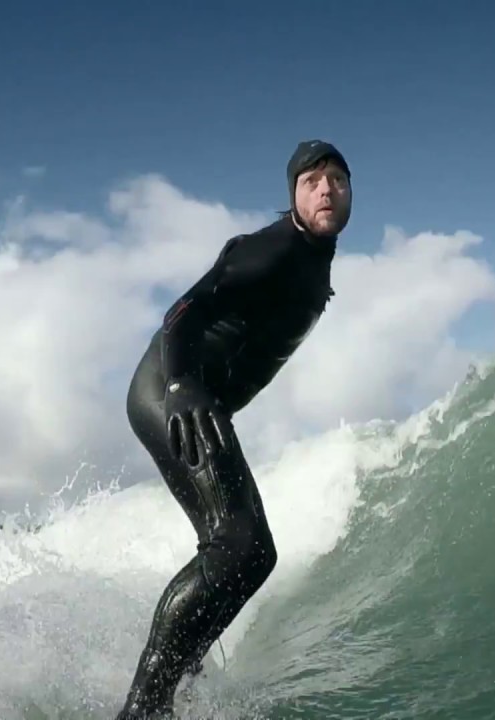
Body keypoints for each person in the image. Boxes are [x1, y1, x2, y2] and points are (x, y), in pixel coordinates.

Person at [117, 139, 353, 718]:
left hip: (195, 399)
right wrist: (182, 385)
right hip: (171, 391)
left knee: (243, 555)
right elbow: (182, 311)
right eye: (312, 181)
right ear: (294, 195)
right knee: (243, 544)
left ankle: (179, 677)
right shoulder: (270, 249)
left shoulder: (311, 261)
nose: (326, 189)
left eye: (338, 180)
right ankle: (145, 704)